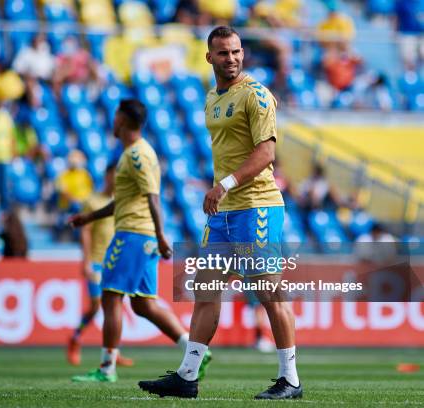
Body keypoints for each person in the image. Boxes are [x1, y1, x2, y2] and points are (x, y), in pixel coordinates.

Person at [138, 26, 302, 400]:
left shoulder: (256, 95)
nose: (231, 59)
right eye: (223, 53)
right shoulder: (213, 96)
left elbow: (266, 154)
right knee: (206, 290)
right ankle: (187, 376)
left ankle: (290, 379)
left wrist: (224, 184)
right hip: (223, 214)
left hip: (256, 206)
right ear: (209, 57)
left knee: (269, 292)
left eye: (236, 52)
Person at [70, 99, 211, 383]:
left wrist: (160, 236)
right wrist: (89, 218)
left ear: (121, 119)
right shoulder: (129, 154)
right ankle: (195, 350)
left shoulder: (137, 155)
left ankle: (107, 368)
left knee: (110, 296)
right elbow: (121, 202)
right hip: (140, 233)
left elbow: (153, 196)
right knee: (143, 305)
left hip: (133, 235)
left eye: (115, 116)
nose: (112, 122)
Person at [66, 164, 133, 367]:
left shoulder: (121, 202)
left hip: (115, 262)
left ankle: (113, 351)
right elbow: (85, 232)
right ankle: (75, 339)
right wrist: (86, 261)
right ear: (106, 176)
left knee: (115, 307)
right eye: (114, 175)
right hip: (96, 261)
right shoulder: (92, 201)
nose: (116, 179)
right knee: (95, 306)